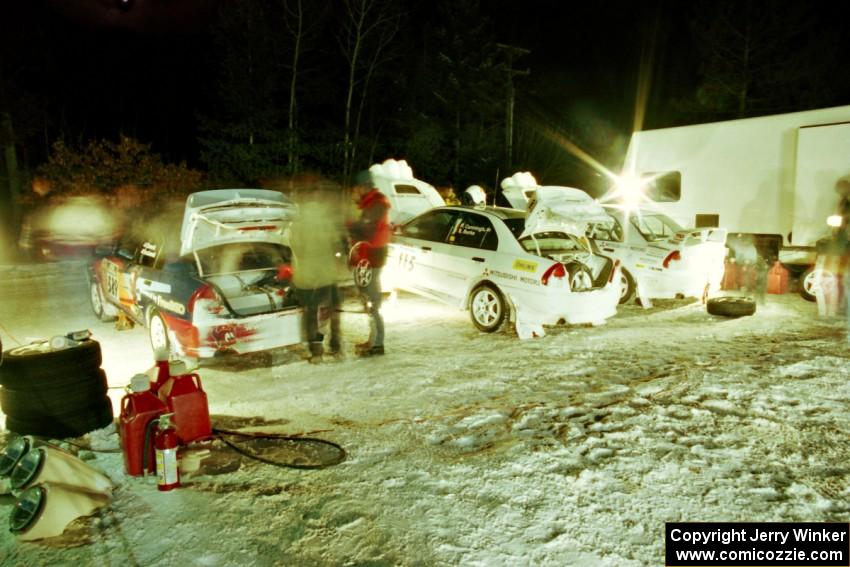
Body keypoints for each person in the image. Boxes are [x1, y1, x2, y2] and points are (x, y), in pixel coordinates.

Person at [289, 181, 344, 363]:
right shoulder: (327, 219)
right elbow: (337, 243)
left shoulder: (298, 221)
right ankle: (336, 346)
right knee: (332, 310)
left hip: (307, 275)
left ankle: (317, 352)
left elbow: (297, 248)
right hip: (327, 273)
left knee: (311, 313)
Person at [348, 170, 391, 357]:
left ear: (364, 186)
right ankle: (373, 340)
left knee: (373, 301)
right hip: (368, 257)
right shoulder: (371, 204)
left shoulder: (377, 204)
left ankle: (377, 345)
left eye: (357, 188)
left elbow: (367, 231)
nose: (355, 191)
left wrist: (350, 225)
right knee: (369, 300)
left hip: (373, 258)